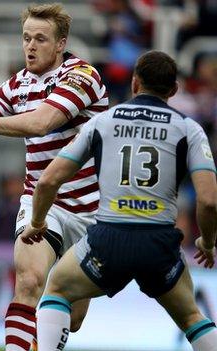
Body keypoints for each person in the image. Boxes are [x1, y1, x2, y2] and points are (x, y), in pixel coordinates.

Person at [23, 50, 217, 351]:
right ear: (174, 90)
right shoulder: (189, 130)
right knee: (192, 317)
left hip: (109, 238)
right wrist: (207, 241)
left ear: (134, 83)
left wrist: (37, 222)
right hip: (159, 242)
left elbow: (48, 180)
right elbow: (208, 202)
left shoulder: (102, 122)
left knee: (57, 291)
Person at [0, 4, 108, 350]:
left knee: (73, 318)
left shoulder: (82, 76)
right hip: (41, 203)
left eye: (40, 38)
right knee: (29, 279)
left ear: (60, 43)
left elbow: (41, 122)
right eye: (26, 38)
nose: (31, 46)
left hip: (90, 210)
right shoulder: (14, 85)